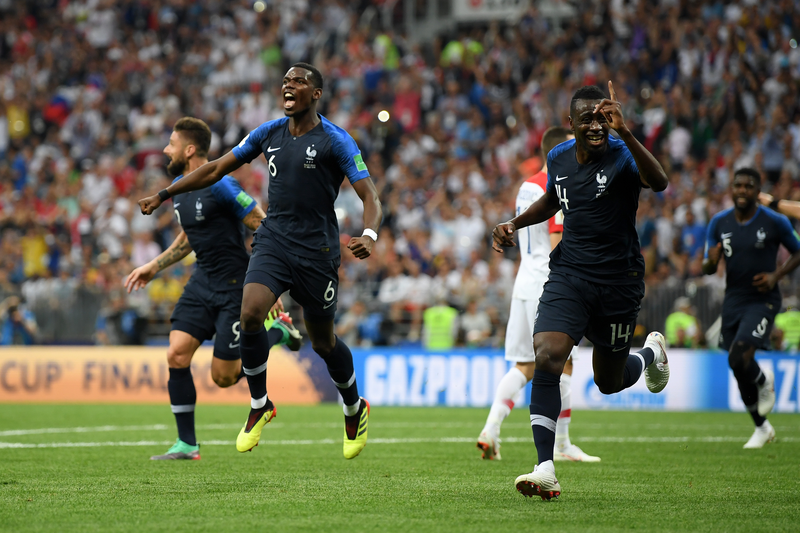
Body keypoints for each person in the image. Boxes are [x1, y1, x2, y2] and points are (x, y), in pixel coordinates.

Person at [138, 64, 382, 460]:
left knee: (323, 342)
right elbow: (215, 168)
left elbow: (370, 195)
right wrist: (164, 194)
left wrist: (369, 235)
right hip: (273, 241)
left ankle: (354, 407)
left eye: (298, 82)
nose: (289, 86)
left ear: (316, 93)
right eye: (285, 81)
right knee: (250, 313)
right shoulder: (268, 133)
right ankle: (259, 404)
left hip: (317, 252)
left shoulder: (336, 140)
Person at [492, 82, 670, 500]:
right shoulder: (558, 158)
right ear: (570, 124)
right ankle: (545, 467)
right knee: (547, 355)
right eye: (587, 117)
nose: (595, 124)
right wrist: (514, 224)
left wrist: (626, 131)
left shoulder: (622, 153)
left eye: (601, 116)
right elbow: (556, 200)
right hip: (569, 274)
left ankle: (648, 354)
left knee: (607, 382)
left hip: (618, 282)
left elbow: (659, 182)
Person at [125, 117, 300, 461]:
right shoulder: (179, 188)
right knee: (176, 354)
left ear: (190, 150)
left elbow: (259, 221)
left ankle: (277, 332)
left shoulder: (222, 185)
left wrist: (270, 281)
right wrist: (153, 266)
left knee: (224, 376)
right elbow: (190, 236)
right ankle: (187, 445)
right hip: (201, 283)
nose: (165, 149)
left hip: (235, 287)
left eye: (171, 144)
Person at [477, 126, 600, 463]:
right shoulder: (557, 187)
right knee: (566, 364)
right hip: (551, 285)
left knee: (523, 365)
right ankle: (562, 445)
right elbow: (557, 236)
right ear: (558, 151)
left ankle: (491, 428)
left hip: (524, 282)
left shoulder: (525, 186)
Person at [702, 168, 800, 449]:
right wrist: (712, 261)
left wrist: (776, 276)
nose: (742, 190)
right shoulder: (719, 223)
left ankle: (762, 379)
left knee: (740, 352)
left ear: (758, 191)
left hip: (763, 298)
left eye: (748, 186)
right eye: (738, 186)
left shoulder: (774, 221)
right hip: (733, 299)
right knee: (736, 363)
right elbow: (708, 267)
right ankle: (762, 426)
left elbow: (798, 250)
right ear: (730, 190)